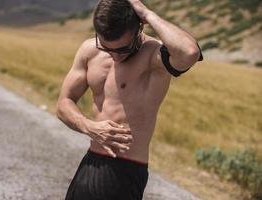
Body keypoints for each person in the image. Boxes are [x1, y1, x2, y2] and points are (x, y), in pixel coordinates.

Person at [56, 0, 203, 199]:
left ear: (139, 28)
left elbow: (189, 52)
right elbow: (64, 103)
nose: (114, 56)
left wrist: (147, 14)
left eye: (122, 49)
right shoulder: (90, 50)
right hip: (91, 162)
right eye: (107, 48)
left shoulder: (154, 57)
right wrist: (89, 126)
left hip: (126, 171)